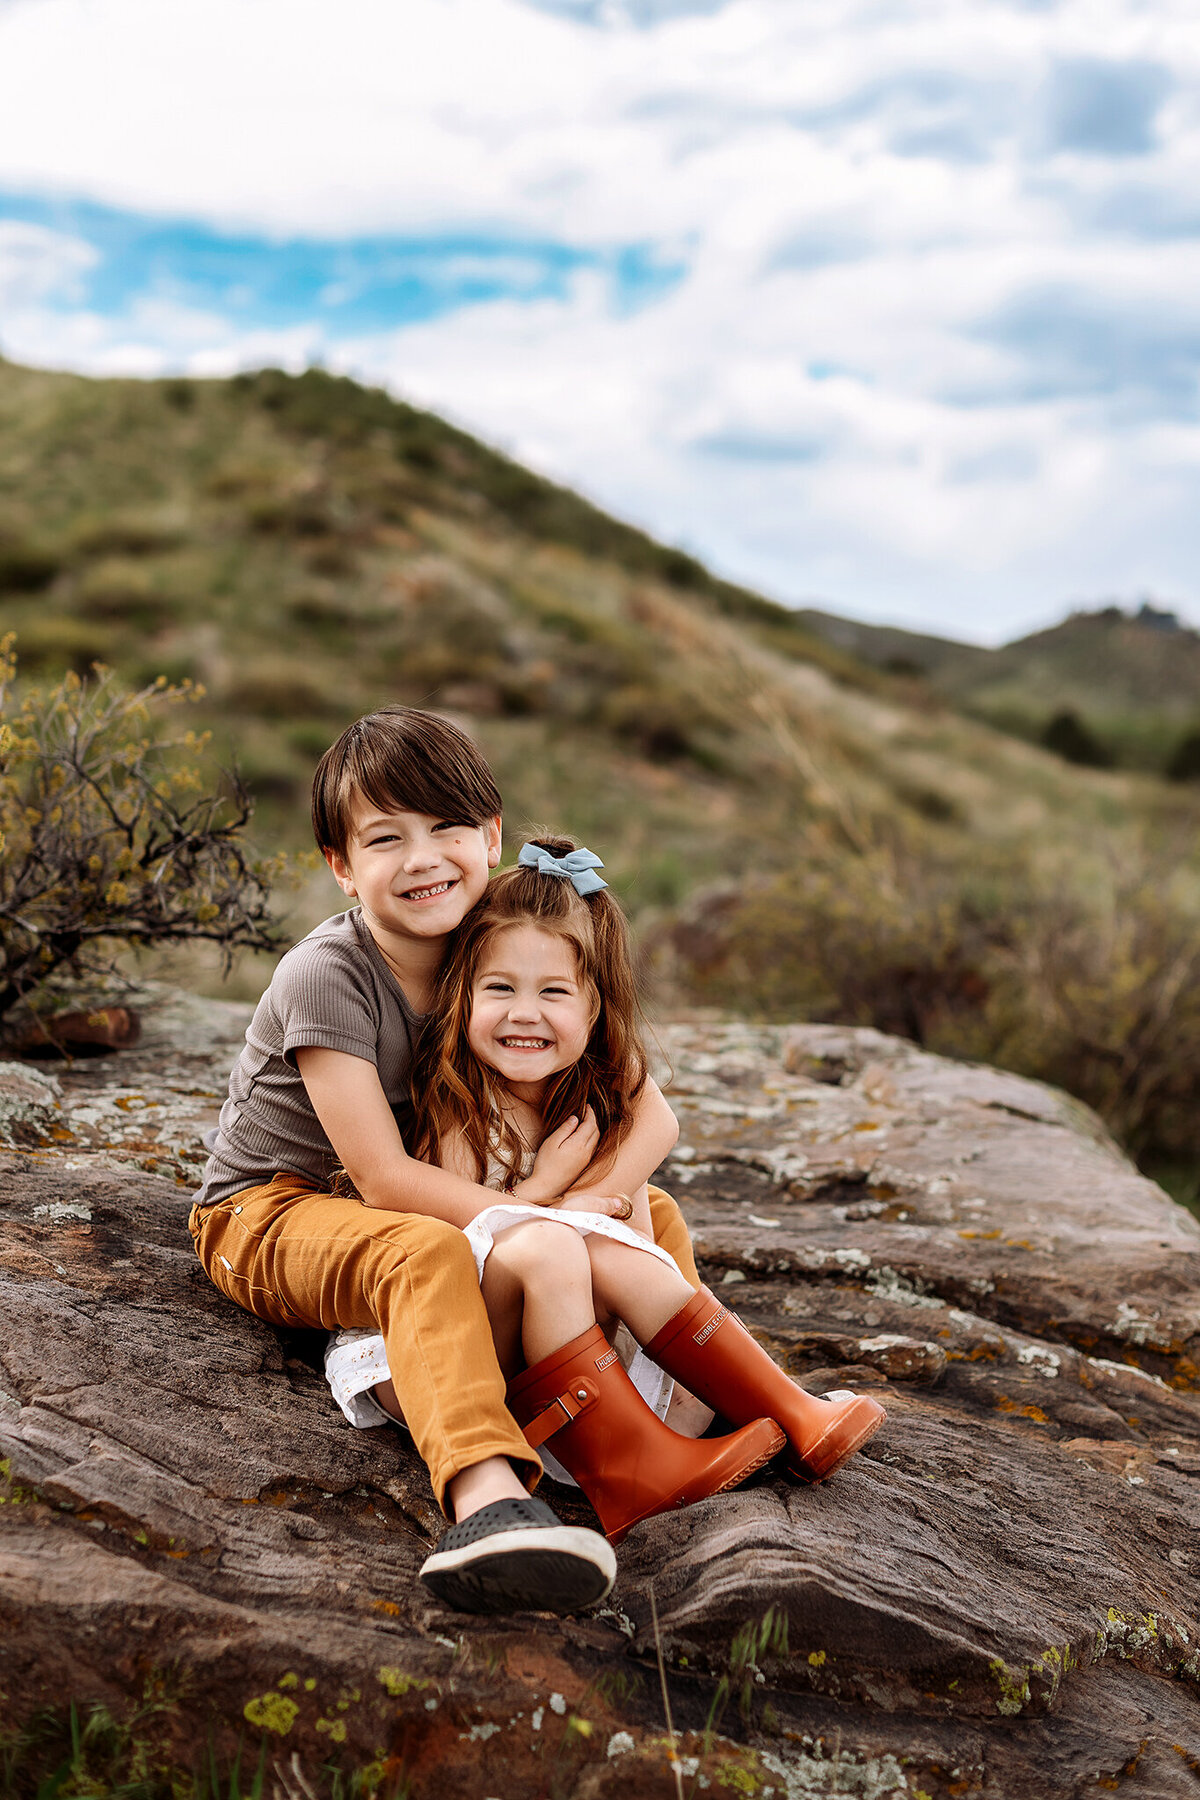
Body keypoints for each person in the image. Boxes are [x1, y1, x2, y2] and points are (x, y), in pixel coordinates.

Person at [187, 707, 770, 1617]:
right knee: (423, 1255)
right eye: (386, 839)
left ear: (490, 839)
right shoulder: (328, 974)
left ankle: (681, 1409)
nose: (423, 860)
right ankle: (487, 1501)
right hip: (276, 1211)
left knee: (647, 1212)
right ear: (342, 867)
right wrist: (544, 1206)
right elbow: (384, 1183)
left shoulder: (490, 939)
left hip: (425, 1197)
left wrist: (596, 1203)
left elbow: (647, 1106)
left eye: (447, 829)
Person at [330, 836, 887, 1569]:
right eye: (499, 990)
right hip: (447, 1349)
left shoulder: (590, 1077)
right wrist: (548, 1194)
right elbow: (466, 1244)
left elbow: (660, 1123)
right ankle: (632, 1470)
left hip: (543, 1335)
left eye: (554, 993)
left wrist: (594, 1196)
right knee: (572, 1240)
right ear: (463, 996)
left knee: (633, 1219)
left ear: (595, 1009)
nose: (523, 1014)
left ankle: (788, 1412)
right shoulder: (461, 1101)